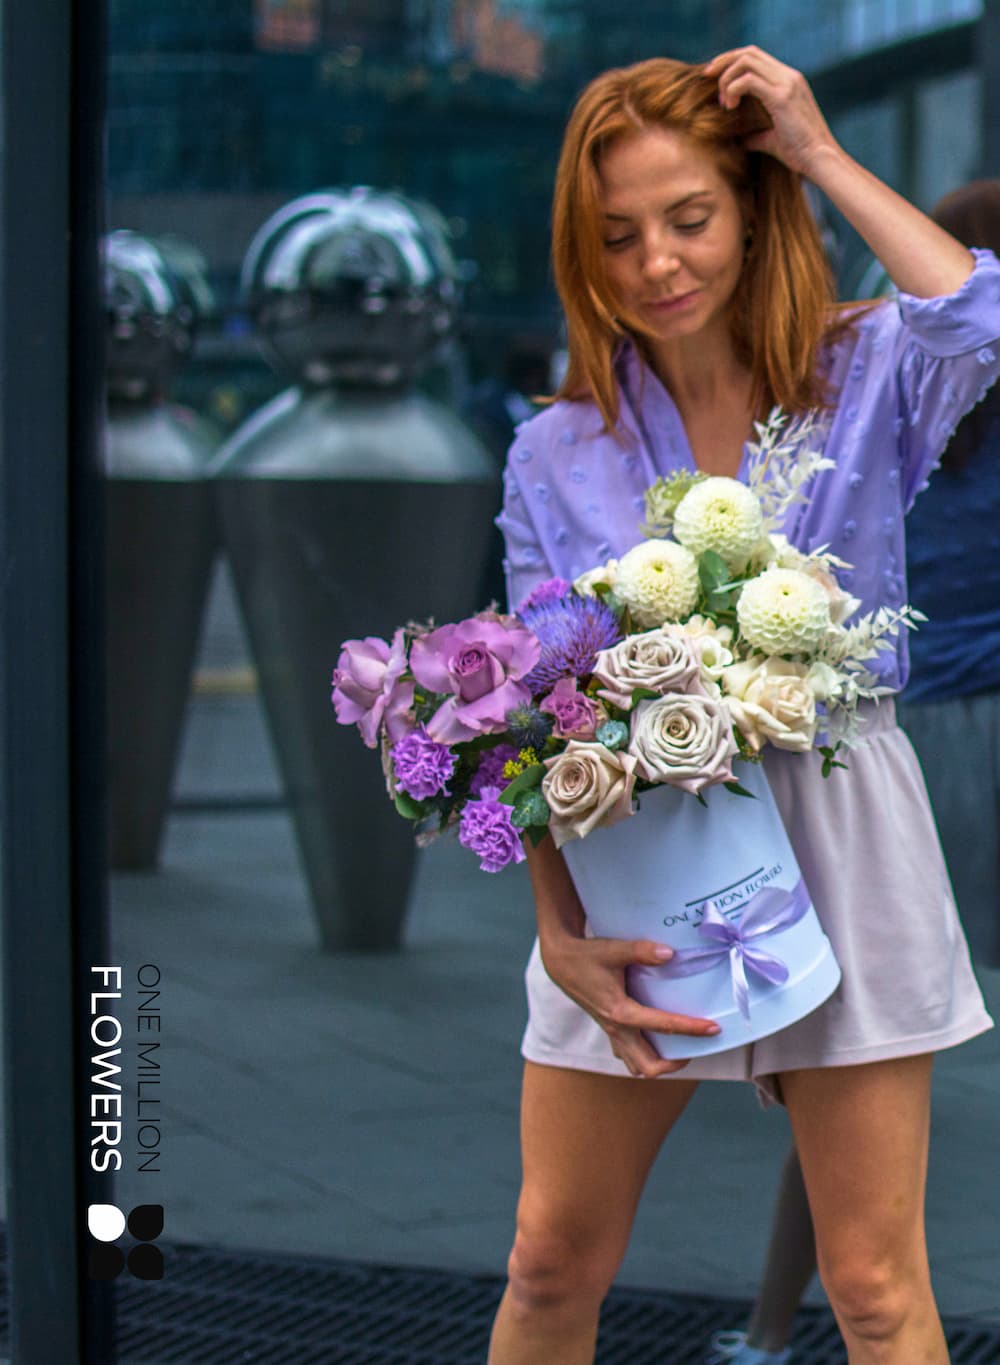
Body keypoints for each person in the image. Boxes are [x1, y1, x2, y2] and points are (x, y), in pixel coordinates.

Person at [489, 47, 999, 1365]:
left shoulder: (865, 367)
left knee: (873, 1285)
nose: (656, 261)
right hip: (630, 848)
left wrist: (815, 150)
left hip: (843, 825)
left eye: (689, 217)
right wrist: (556, 930)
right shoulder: (554, 449)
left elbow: (981, 316)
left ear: (753, 210)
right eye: (617, 235)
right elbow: (528, 715)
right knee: (547, 1262)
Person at [706, 178, 1000, 1365]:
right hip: (929, 740)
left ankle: (771, 1329)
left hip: (901, 736)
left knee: (850, 1062)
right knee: (858, 1062)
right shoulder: (912, 387)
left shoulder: (895, 402)